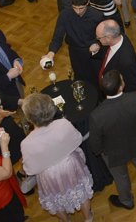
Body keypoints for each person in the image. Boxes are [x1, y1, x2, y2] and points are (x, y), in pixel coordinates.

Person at [21, 94, 93, 222]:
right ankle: (88, 218)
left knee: (55, 200)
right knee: (81, 194)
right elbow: (77, 140)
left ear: (29, 118)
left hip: (49, 176)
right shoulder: (63, 123)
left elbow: (30, 170)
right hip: (71, 166)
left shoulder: (26, 143)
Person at [89, 70, 136, 210]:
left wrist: (101, 151)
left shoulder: (96, 115)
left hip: (113, 152)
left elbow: (95, 143)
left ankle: (126, 201)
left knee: (121, 177)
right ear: (121, 86)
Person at [42, 0, 103, 84]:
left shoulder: (97, 15)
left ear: (88, 3)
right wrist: (51, 52)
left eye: (81, 8)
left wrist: (98, 44)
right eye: (75, 8)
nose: (77, 11)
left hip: (93, 52)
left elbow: (105, 36)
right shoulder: (65, 15)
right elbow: (57, 37)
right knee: (80, 77)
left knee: (97, 78)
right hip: (75, 52)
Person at [91, 19, 136, 91]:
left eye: (98, 38)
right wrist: (95, 51)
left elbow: (131, 87)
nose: (98, 40)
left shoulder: (127, 62)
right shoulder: (116, 36)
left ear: (108, 38)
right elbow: (105, 54)